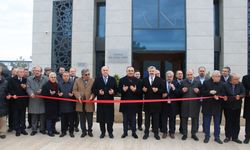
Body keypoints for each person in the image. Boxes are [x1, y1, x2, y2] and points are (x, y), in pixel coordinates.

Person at [92, 66, 117, 139]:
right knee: (101, 119)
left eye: (106, 70)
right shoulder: (97, 79)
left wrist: (113, 92)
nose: (105, 71)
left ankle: (110, 132)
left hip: (109, 102)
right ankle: (103, 132)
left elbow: (116, 89)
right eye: (104, 70)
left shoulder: (112, 79)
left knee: (110, 119)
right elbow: (93, 89)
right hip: (101, 103)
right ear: (101, 71)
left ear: (108, 71)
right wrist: (98, 92)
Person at [142, 66, 165, 140]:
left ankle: (156, 134)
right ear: (148, 72)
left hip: (156, 105)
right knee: (147, 120)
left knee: (156, 120)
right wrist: (143, 90)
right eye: (150, 71)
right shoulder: (144, 80)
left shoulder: (160, 80)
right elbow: (141, 89)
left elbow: (163, 90)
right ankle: (146, 133)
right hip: (147, 104)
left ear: (155, 71)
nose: (151, 72)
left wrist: (158, 90)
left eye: (153, 71)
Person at [119, 66, 142, 139]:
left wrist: (135, 90)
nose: (130, 72)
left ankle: (134, 133)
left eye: (132, 71)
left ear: (134, 72)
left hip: (134, 104)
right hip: (125, 104)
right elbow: (118, 90)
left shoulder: (138, 81)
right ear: (126, 71)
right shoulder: (122, 80)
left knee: (133, 119)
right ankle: (125, 132)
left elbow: (141, 92)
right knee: (125, 120)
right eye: (129, 70)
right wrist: (123, 90)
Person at [202, 70, 224, 144]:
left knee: (217, 124)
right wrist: (209, 92)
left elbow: (223, 93)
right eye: (217, 76)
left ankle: (217, 137)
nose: (219, 78)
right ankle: (207, 136)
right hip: (207, 106)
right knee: (207, 123)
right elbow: (202, 93)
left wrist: (218, 96)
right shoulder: (206, 82)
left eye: (219, 76)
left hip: (217, 106)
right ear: (213, 76)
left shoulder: (222, 84)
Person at [223, 73, 245, 144]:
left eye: (238, 79)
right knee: (228, 122)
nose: (237, 80)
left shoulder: (240, 84)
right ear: (231, 79)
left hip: (237, 106)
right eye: (236, 79)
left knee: (236, 122)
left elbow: (243, 92)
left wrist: (240, 96)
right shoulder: (225, 85)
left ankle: (235, 137)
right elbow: (222, 93)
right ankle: (228, 137)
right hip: (228, 107)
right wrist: (224, 97)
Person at [180, 69, 201, 141]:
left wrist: (198, 91)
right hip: (185, 104)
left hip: (195, 104)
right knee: (184, 119)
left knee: (195, 119)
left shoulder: (198, 82)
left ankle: (193, 134)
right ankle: (185, 134)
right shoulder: (183, 82)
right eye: (188, 75)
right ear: (186, 75)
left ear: (193, 74)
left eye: (191, 74)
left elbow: (202, 93)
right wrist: (182, 91)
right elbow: (178, 93)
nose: (189, 76)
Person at [73, 69, 95, 138]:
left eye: (89, 74)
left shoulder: (92, 80)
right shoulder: (77, 80)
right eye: (86, 74)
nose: (88, 76)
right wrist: (78, 96)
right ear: (82, 75)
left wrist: (92, 96)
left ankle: (89, 131)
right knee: (82, 119)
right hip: (80, 103)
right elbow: (74, 90)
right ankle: (84, 131)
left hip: (89, 102)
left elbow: (94, 90)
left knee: (90, 119)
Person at [7, 67, 28, 136]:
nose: (22, 73)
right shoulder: (12, 80)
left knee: (23, 116)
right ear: (17, 73)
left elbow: (27, 90)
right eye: (20, 72)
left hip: (23, 101)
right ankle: (17, 130)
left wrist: (25, 88)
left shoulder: (25, 80)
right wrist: (13, 94)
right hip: (15, 101)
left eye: (23, 72)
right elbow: (9, 89)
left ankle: (23, 129)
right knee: (16, 116)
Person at [26, 66, 48, 136]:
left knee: (42, 115)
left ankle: (42, 129)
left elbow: (49, 86)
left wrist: (42, 90)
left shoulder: (46, 78)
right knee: (34, 115)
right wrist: (31, 93)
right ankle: (34, 129)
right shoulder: (29, 78)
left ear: (41, 71)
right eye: (35, 70)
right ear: (33, 71)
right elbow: (28, 87)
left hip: (42, 99)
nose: (37, 72)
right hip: (33, 99)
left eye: (38, 70)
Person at [41, 72, 60, 137]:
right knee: (49, 118)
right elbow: (43, 95)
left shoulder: (57, 84)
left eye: (54, 77)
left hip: (56, 104)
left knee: (54, 118)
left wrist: (59, 94)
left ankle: (53, 129)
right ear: (49, 78)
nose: (53, 78)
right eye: (52, 77)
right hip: (49, 104)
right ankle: (49, 131)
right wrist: (50, 94)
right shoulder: (45, 85)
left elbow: (58, 93)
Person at [58, 72, 75, 138]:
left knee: (71, 120)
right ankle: (63, 132)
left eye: (67, 76)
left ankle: (71, 132)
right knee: (63, 120)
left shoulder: (72, 83)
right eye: (64, 76)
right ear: (62, 76)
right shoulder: (59, 83)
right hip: (62, 104)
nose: (66, 77)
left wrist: (72, 95)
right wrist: (58, 95)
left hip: (70, 105)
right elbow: (58, 92)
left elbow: (74, 92)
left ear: (69, 76)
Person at [161, 71, 178, 139]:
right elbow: (160, 92)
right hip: (164, 105)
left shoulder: (176, 83)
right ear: (166, 77)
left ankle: (172, 132)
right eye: (168, 76)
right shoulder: (162, 83)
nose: (169, 78)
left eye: (170, 77)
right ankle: (164, 132)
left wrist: (174, 88)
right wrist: (162, 95)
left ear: (173, 77)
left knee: (172, 119)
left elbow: (178, 93)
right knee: (164, 119)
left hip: (173, 105)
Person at [194, 66, 209, 132]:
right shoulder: (195, 79)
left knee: (205, 115)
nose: (202, 72)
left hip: (206, 100)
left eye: (203, 71)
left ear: (205, 72)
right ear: (198, 71)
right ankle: (196, 128)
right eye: (200, 71)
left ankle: (205, 128)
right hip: (197, 100)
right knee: (196, 114)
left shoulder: (208, 79)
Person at [69, 67, 80, 132]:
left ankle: (76, 126)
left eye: (73, 71)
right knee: (69, 113)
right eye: (71, 71)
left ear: (75, 72)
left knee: (76, 114)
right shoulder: (66, 78)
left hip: (76, 99)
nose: (72, 72)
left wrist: (76, 95)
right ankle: (70, 126)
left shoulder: (78, 79)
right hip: (68, 99)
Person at [0, 66, 8, 139]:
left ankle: (2, 132)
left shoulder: (5, 81)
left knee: (2, 119)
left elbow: (7, 91)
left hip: (2, 102)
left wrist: (8, 95)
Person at [242, 73, 250, 144]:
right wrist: (248, 92)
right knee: (248, 121)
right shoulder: (245, 78)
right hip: (249, 103)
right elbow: (243, 89)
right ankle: (247, 137)